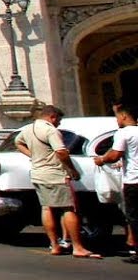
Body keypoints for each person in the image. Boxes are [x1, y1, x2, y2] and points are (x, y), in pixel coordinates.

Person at [15, 104, 103, 258]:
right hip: (55, 174)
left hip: (37, 173)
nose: (59, 124)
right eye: (59, 120)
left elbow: (18, 142)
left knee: (47, 208)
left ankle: (54, 245)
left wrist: (33, 156)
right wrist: (72, 169)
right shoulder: (51, 130)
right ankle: (77, 247)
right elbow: (61, 152)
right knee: (68, 208)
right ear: (52, 117)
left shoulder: (29, 129)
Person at [93, 100, 138, 263]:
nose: (117, 120)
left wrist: (102, 159)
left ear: (124, 115)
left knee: (134, 216)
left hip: (134, 181)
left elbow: (115, 154)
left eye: (117, 116)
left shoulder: (124, 133)